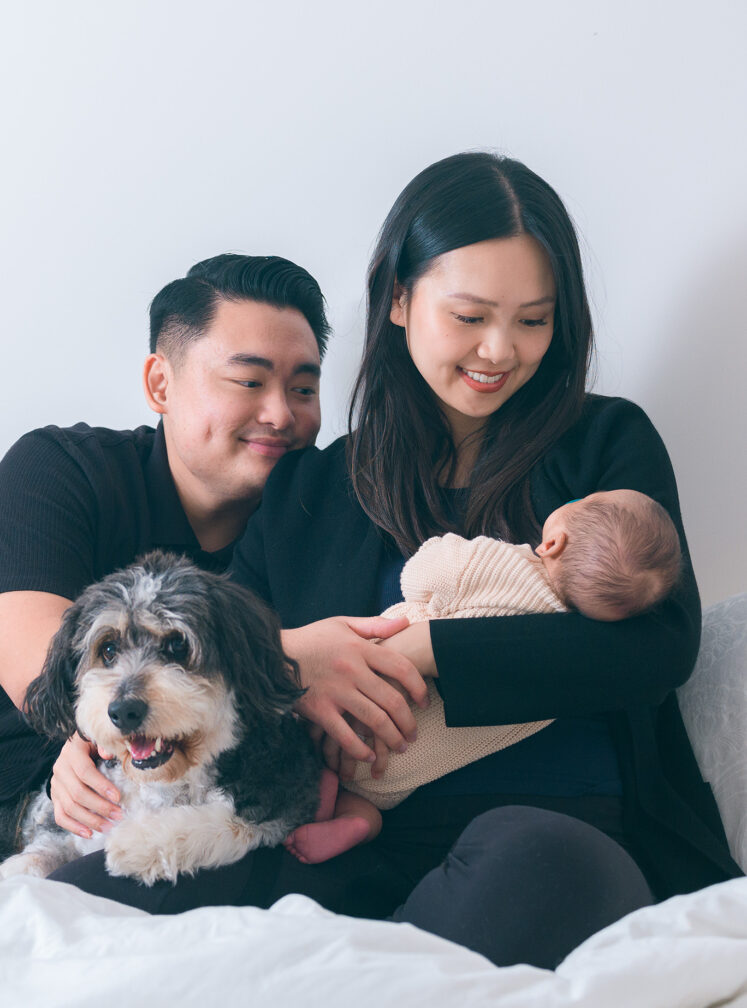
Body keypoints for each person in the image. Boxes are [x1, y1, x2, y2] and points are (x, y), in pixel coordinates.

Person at [50, 152, 741, 970]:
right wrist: (100, 741)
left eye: (532, 319)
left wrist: (424, 649)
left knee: (534, 865)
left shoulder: (604, 445)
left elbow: (656, 647)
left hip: (561, 829)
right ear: (401, 301)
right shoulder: (311, 486)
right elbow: (228, 672)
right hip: (339, 840)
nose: (499, 350)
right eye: (471, 314)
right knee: (105, 898)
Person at [0, 253, 334, 845]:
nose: (280, 413)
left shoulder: (314, 525)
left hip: (113, 828)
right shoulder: (59, 471)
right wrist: (293, 654)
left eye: (302, 388)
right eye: (249, 382)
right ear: (160, 383)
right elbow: (50, 669)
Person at [286, 488, 684, 864]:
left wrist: (446, 552)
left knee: (304, 735)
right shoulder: (561, 671)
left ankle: (318, 788)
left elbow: (419, 574)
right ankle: (358, 822)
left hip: (355, 702)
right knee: (369, 807)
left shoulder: (500, 564)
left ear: (552, 544)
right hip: (398, 773)